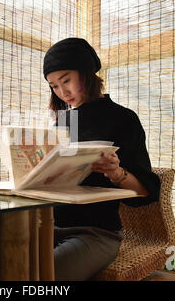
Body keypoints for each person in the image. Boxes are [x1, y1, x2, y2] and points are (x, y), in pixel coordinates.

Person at [43, 37, 161, 281]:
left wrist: (117, 174)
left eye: (66, 80)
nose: (62, 92)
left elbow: (147, 193)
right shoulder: (62, 122)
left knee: (42, 274)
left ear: (87, 74)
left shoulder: (123, 119)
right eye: (54, 86)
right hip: (49, 225)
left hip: (96, 232)